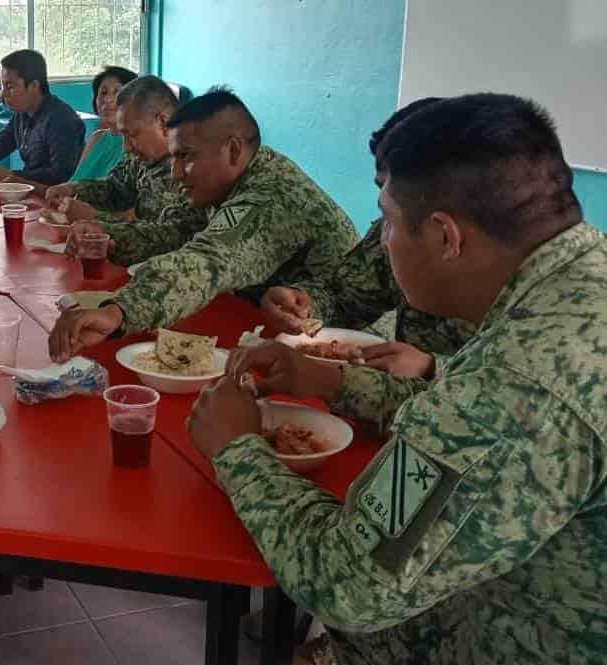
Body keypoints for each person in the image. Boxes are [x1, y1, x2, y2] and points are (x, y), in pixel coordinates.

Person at [190, 93, 607, 665]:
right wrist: (329, 381)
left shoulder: (518, 384)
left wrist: (237, 447)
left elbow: (347, 584)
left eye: (387, 221)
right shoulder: (577, 287)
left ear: (445, 235)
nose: (382, 241)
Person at [48, 87, 359, 362]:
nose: (176, 173)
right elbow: (176, 233)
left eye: (186, 157)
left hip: (345, 346)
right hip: (272, 328)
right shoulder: (224, 182)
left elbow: (208, 261)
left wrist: (118, 312)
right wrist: (108, 234)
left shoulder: (270, 194)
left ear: (233, 150)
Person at [261, 98, 476, 379]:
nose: (385, 204)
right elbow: (344, 297)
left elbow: (519, 396)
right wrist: (301, 304)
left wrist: (432, 368)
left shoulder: (512, 267)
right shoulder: (395, 229)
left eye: (395, 190)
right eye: (382, 187)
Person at [44, 75, 208, 266]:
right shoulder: (141, 159)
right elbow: (115, 189)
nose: (126, 147)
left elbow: (173, 237)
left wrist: (95, 220)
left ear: (163, 123)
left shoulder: (191, 169)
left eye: (132, 135)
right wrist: (72, 189)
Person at [0, 49, 86, 189]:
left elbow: (60, 176)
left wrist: (11, 175)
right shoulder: (22, 114)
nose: (4, 94)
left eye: (10, 87)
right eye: (3, 86)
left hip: (55, 199)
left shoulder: (61, 120)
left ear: (33, 86)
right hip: (31, 193)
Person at [68, 66, 138, 182]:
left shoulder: (136, 146)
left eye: (117, 92)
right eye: (103, 93)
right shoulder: (97, 138)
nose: (108, 99)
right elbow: (74, 182)